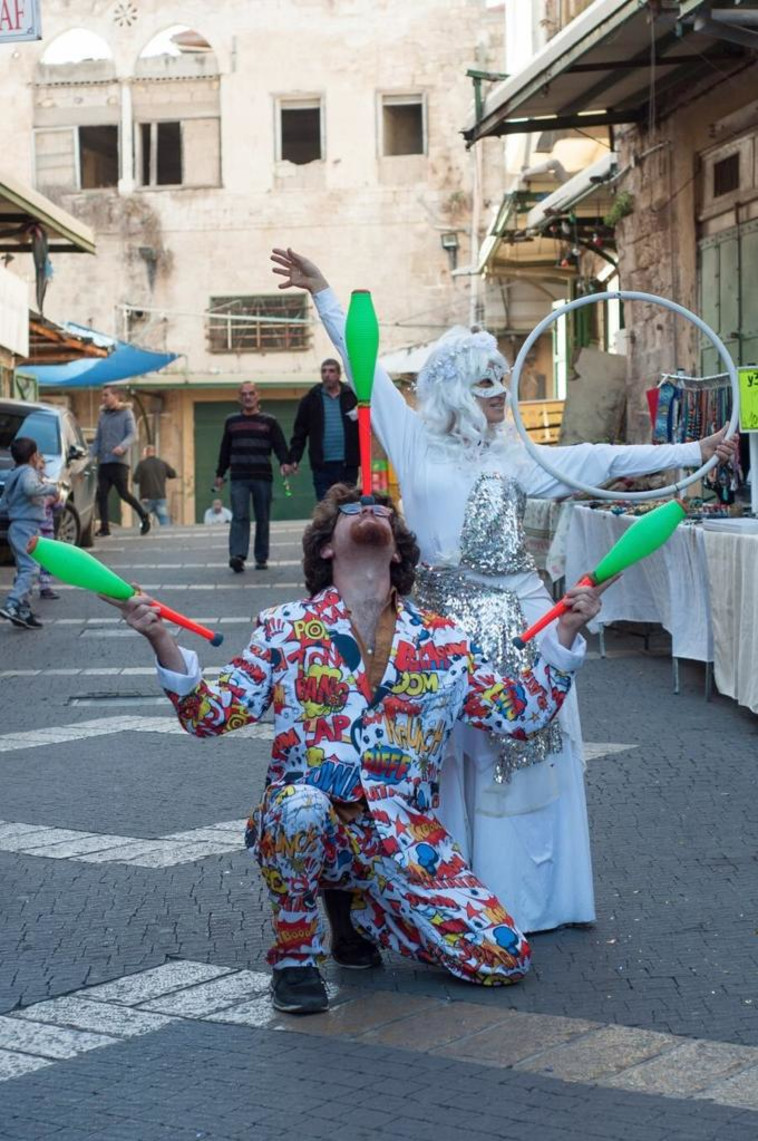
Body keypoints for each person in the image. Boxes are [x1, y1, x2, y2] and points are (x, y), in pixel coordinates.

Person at [271, 247, 740, 935]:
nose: (498, 393)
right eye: (484, 382)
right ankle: (459, 897)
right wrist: (323, 293)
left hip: (522, 622)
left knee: (528, 757)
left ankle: (533, 899)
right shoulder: (413, 441)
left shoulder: (520, 453)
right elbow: (366, 363)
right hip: (437, 631)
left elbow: (598, 461)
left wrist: (689, 453)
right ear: (454, 388)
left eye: (502, 381)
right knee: (447, 760)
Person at [109, 484, 602, 1013]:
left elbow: (519, 715)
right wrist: (160, 639)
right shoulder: (284, 627)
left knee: (503, 959)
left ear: (395, 549)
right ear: (326, 546)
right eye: (351, 508)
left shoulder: (443, 639)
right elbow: (209, 715)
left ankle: (364, 912)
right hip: (311, 822)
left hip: (405, 836)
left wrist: (568, 630)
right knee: (298, 807)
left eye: (382, 508)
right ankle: (296, 957)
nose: (369, 510)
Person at [214, 382, 292, 572]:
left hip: (262, 476)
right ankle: (237, 556)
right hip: (238, 476)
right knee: (239, 516)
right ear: (239, 398)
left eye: (251, 393)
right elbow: (225, 449)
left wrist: (285, 462)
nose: (248, 397)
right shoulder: (231, 421)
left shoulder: (269, 421)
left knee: (262, 517)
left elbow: (280, 445)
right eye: (244, 394)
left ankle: (261, 557)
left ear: (258, 396)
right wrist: (220, 474)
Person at [0, 437, 60, 629]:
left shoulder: (14, 473)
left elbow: (4, 501)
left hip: (19, 526)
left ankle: (23, 610)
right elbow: (30, 488)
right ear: (34, 456)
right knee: (31, 568)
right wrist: (52, 488)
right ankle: (12, 603)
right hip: (25, 527)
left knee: (24, 569)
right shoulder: (28, 472)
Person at [289, 358, 360, 500]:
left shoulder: (351, 397)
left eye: (331, 371)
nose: (327, 374)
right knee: (325, 506)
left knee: (348, 505)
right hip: (322, 465)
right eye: (324, 371)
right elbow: (300, 432)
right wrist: (294, 458)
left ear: (339, 374)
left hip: (347, 463)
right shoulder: (311, 400)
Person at [91, 386, 150, 537]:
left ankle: (144, 515)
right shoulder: (103, 416)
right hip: (104, 461)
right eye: (102, 395)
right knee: (101, 494)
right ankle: (105, 527)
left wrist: (122, 447)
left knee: (123, 493)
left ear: (116, 396)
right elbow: (98, 439)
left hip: (119, 462)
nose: (103, 398)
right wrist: (90, 456)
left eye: (106, 395)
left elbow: (132, 434)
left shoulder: (126, 413)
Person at [133, 445, 177, 526]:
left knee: (144, 519)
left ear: (146, 452)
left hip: (146, 497)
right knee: (163, 519)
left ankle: (144, 531)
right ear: (155, 452)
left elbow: (135, 479)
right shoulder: (162, 463)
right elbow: (173, 474)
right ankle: (166, 536)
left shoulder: (142, 464)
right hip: (160, 496)